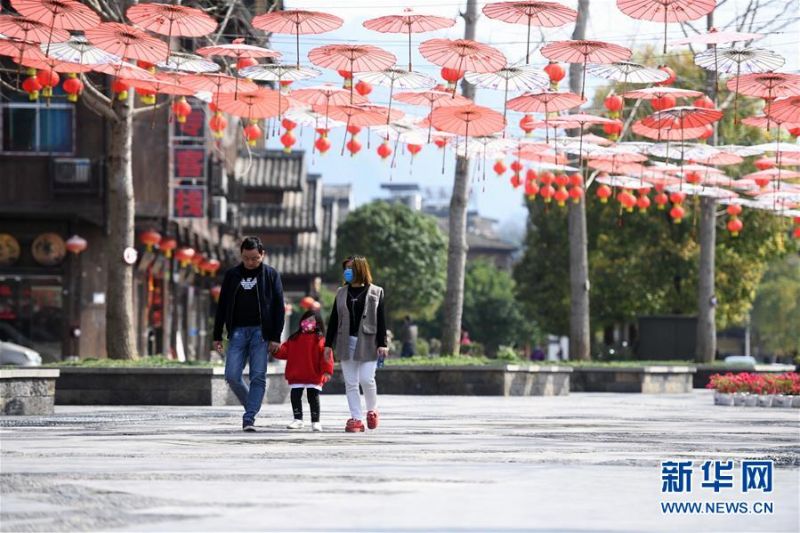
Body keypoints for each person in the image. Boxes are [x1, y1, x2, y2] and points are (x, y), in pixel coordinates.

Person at [213, 237, 285, 432]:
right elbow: (222, 306)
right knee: (232, 375)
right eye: (246, 258)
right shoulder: (232, 275)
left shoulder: (271, 275)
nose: (250, 262)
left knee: (258, 376)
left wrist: (276, 337)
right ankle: (251, 406)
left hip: (261, 333)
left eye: (254, 258)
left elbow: (279, 307)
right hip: (237, 332)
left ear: (263, 254)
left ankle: (249, 417)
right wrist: (217, 334)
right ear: (241, 255)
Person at [324, 255, 388, 433]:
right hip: (346, 341)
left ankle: (372, 410)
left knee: (367, 379)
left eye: (351, 268)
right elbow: (334, 320)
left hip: (369, 341)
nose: (347, 272)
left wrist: (383, 343)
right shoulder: (341, 292)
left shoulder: (376, 291)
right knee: (351, 382)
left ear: (361, 269)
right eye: (346, 268)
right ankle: (356, 419)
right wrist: (328, 345)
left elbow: (381, 319)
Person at [273, 310, 333, 432]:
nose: (307, 323)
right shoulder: (294, 338)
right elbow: (284, 351)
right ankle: (298, 420)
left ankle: (315, 421)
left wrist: (327, 371)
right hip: (297, 373)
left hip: (314, 374)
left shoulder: (321, 340)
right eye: (305, 320)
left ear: (317, 323)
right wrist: (275, 350)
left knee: (313, 397)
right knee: (295, 396)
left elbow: (326, 356)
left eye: (311, 320)